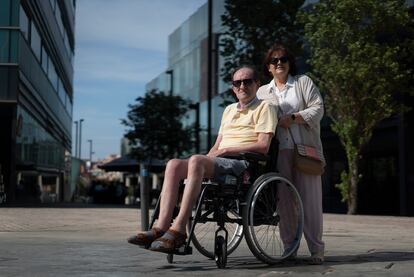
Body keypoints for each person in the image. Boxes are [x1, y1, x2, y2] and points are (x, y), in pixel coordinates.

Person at [128, 65, 277, 253]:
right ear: (232, 87)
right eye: (237, 82)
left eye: (247, 81)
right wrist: (208, 157)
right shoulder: (229, 110)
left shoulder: (265, 107)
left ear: (257, 84)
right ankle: (161, 227)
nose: (241, 86)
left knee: (196, 161)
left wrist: (226, 150)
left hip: (242, 164)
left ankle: (179, 229)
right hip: (220, 160)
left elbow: (263, 145)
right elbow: (217, 144)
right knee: (174, 164)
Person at [257, 43, 325, 265]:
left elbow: (318, 108)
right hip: (280, 152)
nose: (279, 63)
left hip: (305, 149)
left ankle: (316, 249)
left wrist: (294, 117)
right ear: (268, 67)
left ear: (289, 63)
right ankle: (290, 248)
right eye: (274, 60)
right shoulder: (262, 92)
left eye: (283, 59)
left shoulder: (302, 82)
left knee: (310, 201)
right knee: (284, 202)